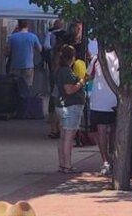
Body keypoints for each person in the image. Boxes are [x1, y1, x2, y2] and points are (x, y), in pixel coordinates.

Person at [87, 43, 119, 176]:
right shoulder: (122, 59)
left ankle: (105, 160)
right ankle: (112, 156)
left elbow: (89, 75)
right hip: (115, 98)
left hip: (99, 100)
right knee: (114, 130)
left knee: (101, 131)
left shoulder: (97, 58)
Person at [54, 45, 85, 173]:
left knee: (63, 136)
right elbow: (69, 89)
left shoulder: (60, 70)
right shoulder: (66, 71)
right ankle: (67, 165)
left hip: (62, 106)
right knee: (68, 136)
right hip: (70, 106)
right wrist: (81, 83)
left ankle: (62, 163)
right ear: (72, 57)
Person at [7, 20, 42, 88]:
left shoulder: (12, 37)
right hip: (28, 66)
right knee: (27, 86)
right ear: (28, 26)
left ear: (18, 26)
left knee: (15, 86)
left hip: (15, 66)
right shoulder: (33, 36)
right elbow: (40, 49)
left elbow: (7, 53)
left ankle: (16, 98)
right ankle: (26, 98)